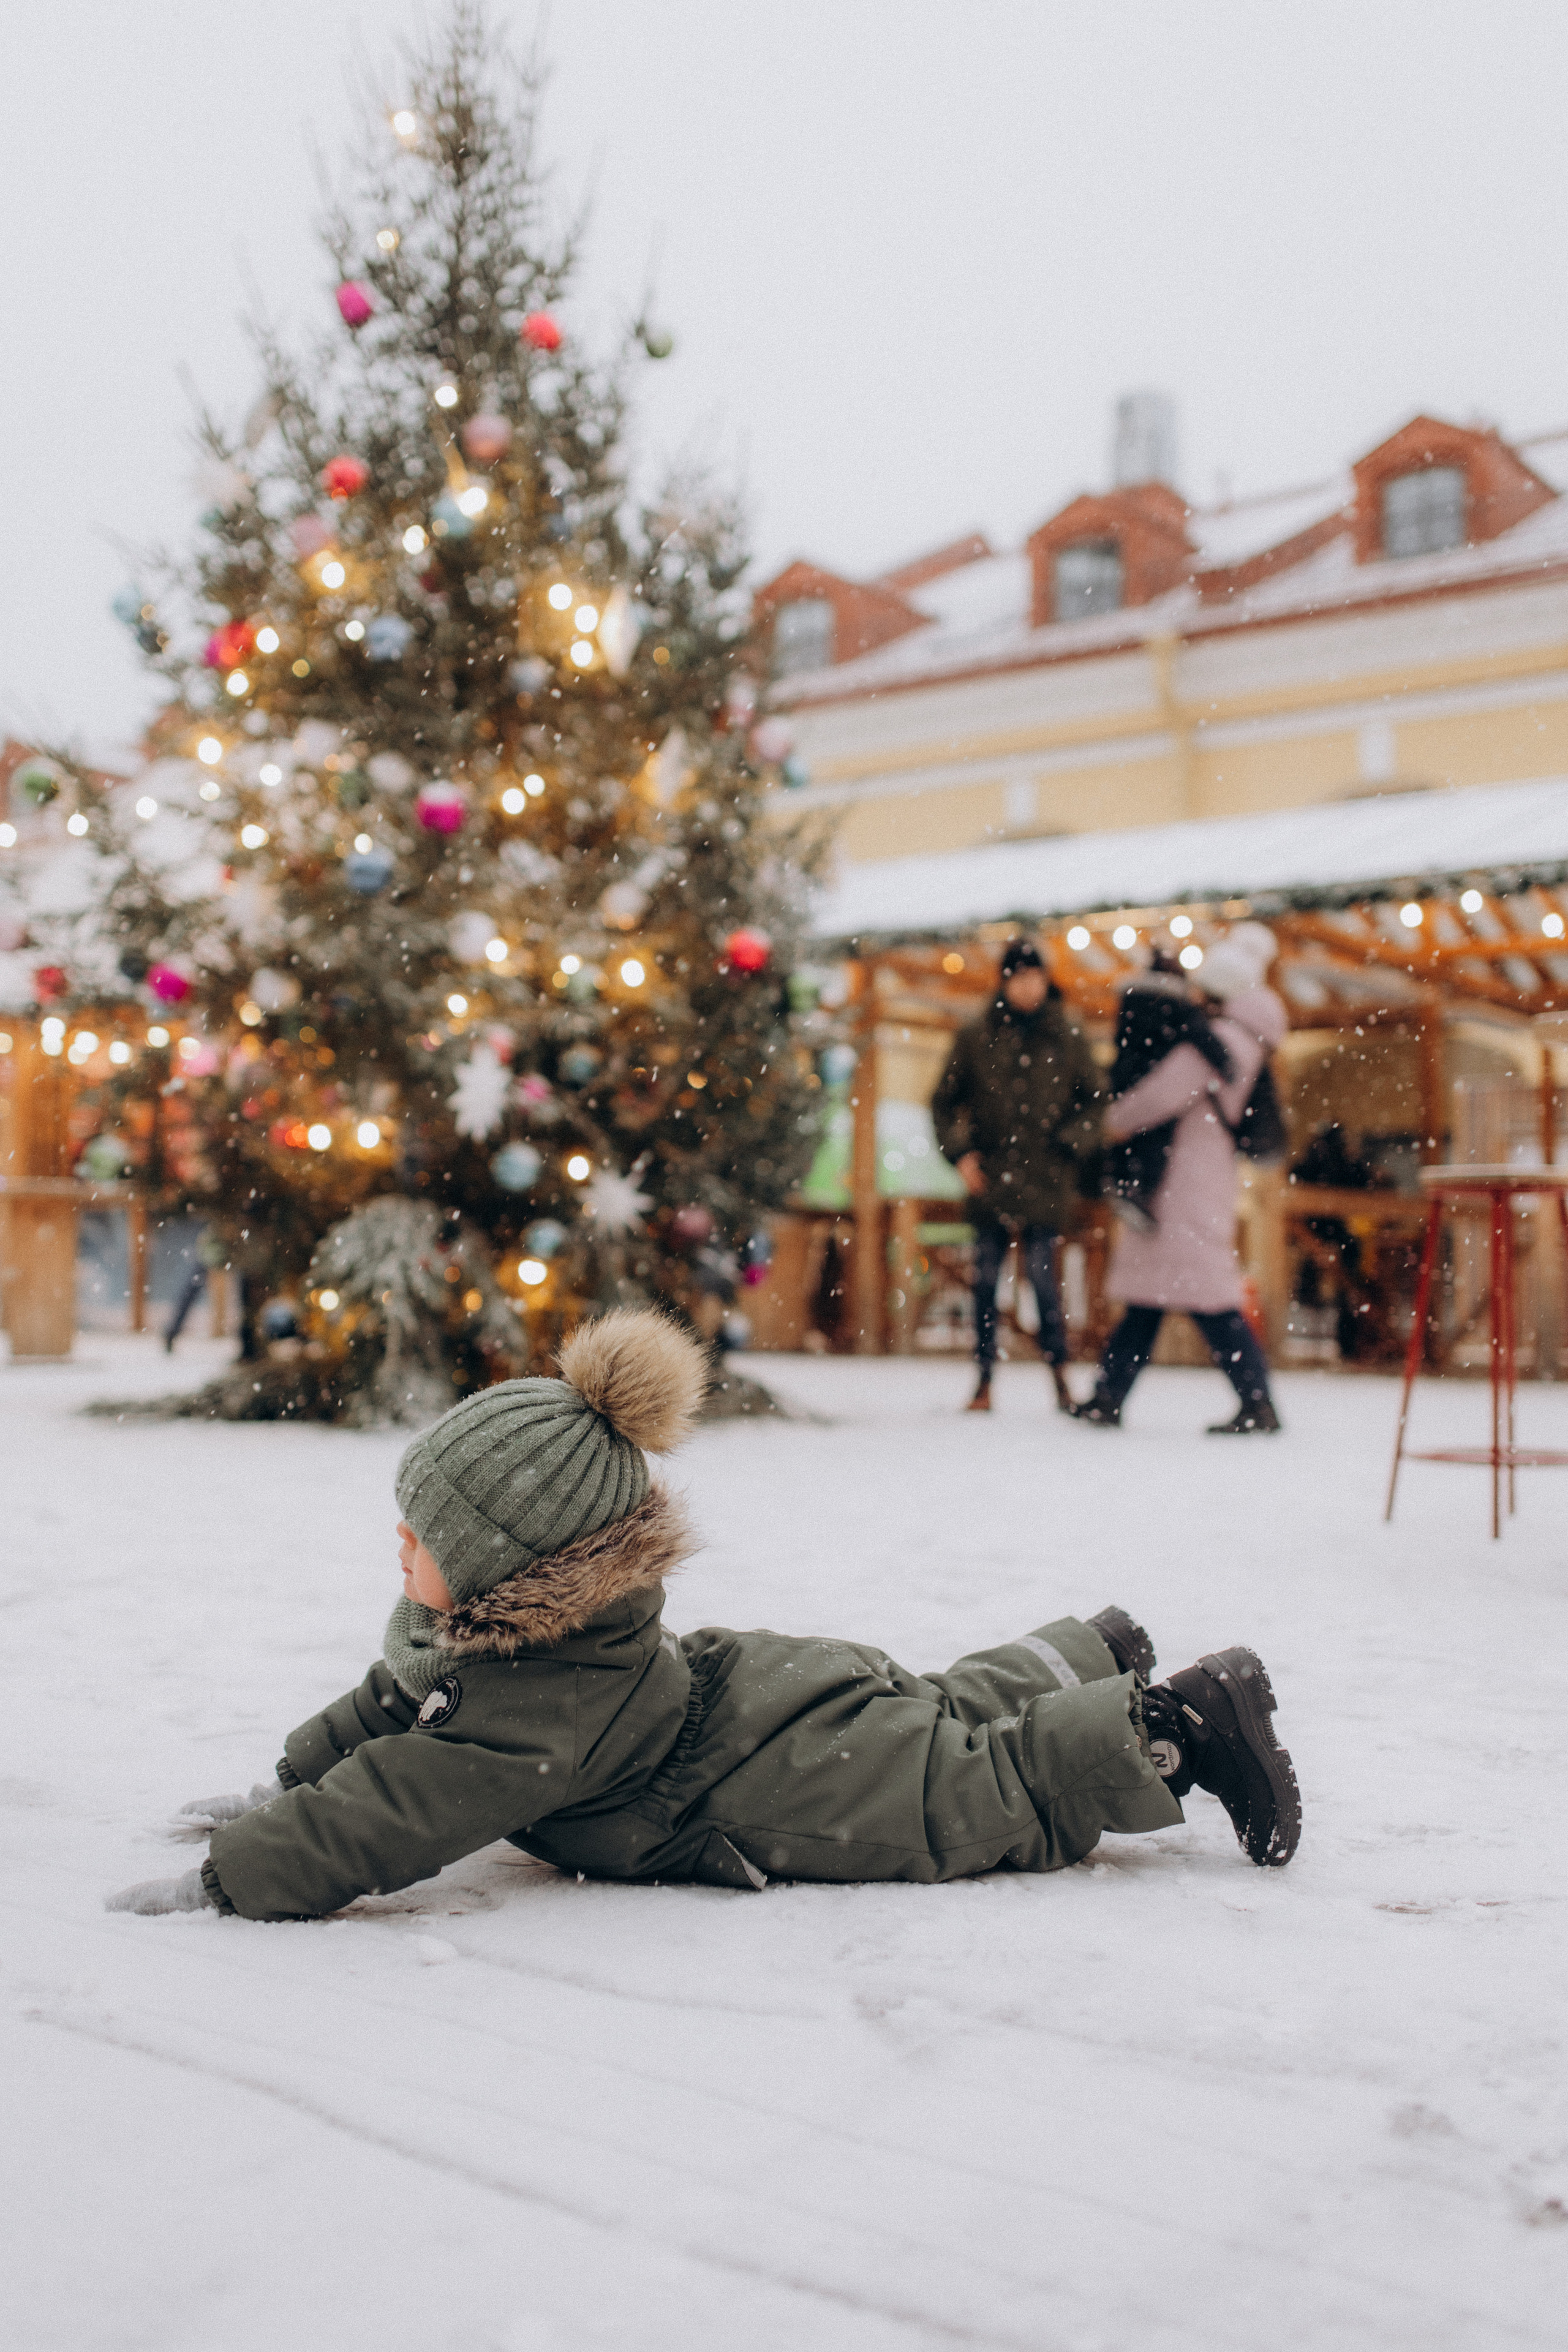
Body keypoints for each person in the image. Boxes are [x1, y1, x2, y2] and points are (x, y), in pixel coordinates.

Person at [107, 1310, 1300, 1923]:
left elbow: (399, 1809)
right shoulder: (500, 1636)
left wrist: (240, 1876)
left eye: (426, 1537)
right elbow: (389, 1709)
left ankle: (1173, 1725)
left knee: (969, 1792)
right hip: (759, 1693)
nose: (400, 1547)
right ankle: (1085, 1652)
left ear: (511, 1566)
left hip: (763, 1777)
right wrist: (287, 1781)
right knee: (935, 1718)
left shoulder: (537, 1710)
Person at [1074, 922, 1287, 1434]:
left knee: (1207, 1296)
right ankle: (1111, 1394)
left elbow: (1165, 1091)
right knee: (1154, 1295)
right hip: (1190, 1175)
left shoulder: (1225, 1041)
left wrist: (1115, 1120)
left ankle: (1256, 1401)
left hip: (1185, 1180)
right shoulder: (1249, 1039)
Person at [931, 938, 1103, 1415]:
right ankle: (984, 1380)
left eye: (1037, 978)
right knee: (986, 1283)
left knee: (1045, 1283)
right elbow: (943, 1102)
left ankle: (1060, 1377)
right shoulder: (976, 1037)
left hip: (1047, 1181)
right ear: (1005, 982)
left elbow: (1096, 1103)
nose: (1030, 987)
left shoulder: (1067, 1037)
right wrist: (961, 1156)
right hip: (991, 1179)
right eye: (1021, 978)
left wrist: (1070, 1145)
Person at [1101, 952, 1234, 1231]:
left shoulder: (1131, 1000)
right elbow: (1201, 1036)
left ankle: (1121, 1183)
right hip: (1155, 1075)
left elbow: (1119, 1039)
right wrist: (1225, 1063)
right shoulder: (1178, 1004)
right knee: (1156, 1138)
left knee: (1125, 1139)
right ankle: (1141, 1193)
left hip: (1126, 1077)